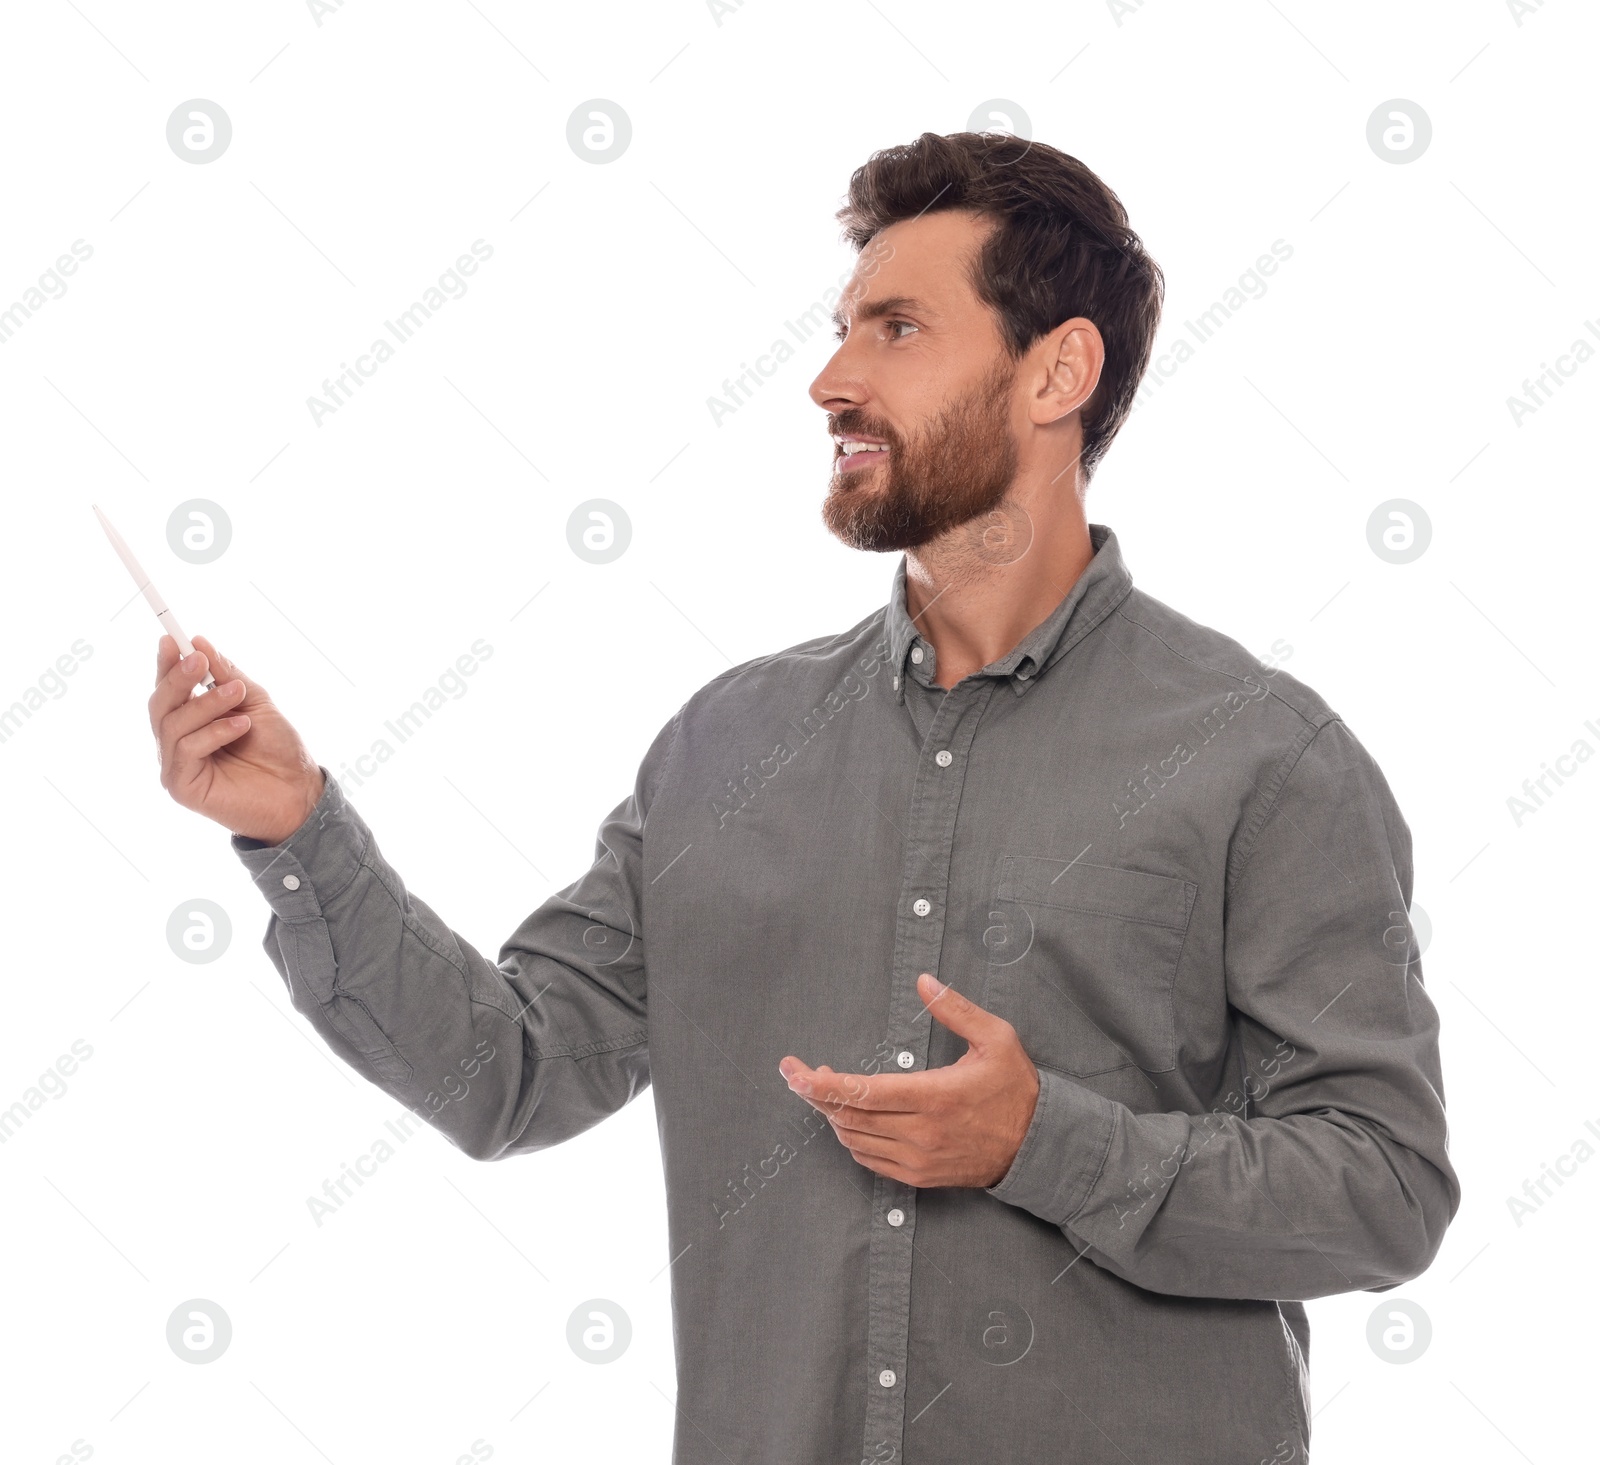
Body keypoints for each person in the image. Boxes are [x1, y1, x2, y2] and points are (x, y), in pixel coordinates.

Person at [147, 130, 1458, 1465]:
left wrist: (1041, 1142)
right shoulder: (726, 746)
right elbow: (511, 1071)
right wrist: (291, 828)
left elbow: (1386, 1188)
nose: (830, 379)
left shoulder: (1264, 759)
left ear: (1059, 369)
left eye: (896, 328)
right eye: (842, 330)